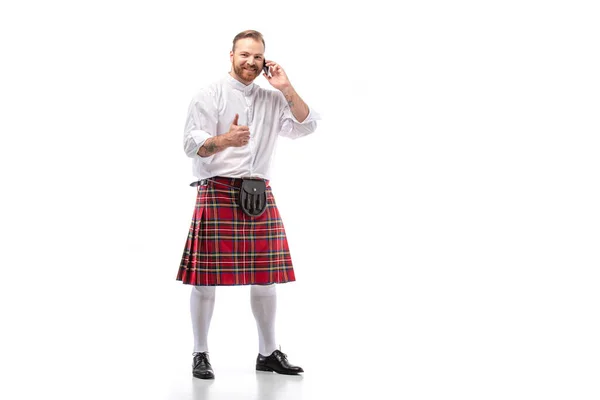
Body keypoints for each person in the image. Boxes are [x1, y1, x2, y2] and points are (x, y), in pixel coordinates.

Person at [176, 30, 319, 380]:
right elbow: (191, 146)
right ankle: (200, 352)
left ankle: (268, 353)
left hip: (259, 192)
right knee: (204, 281)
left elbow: (308, 124)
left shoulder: (273, 100)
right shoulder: (209, 95)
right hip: (218, 190)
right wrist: (224, 140)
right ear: (231, 55)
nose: (250, 62)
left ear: (264, 60)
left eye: (257, 56)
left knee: (266, 278)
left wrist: (285, 87)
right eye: (244, 55)